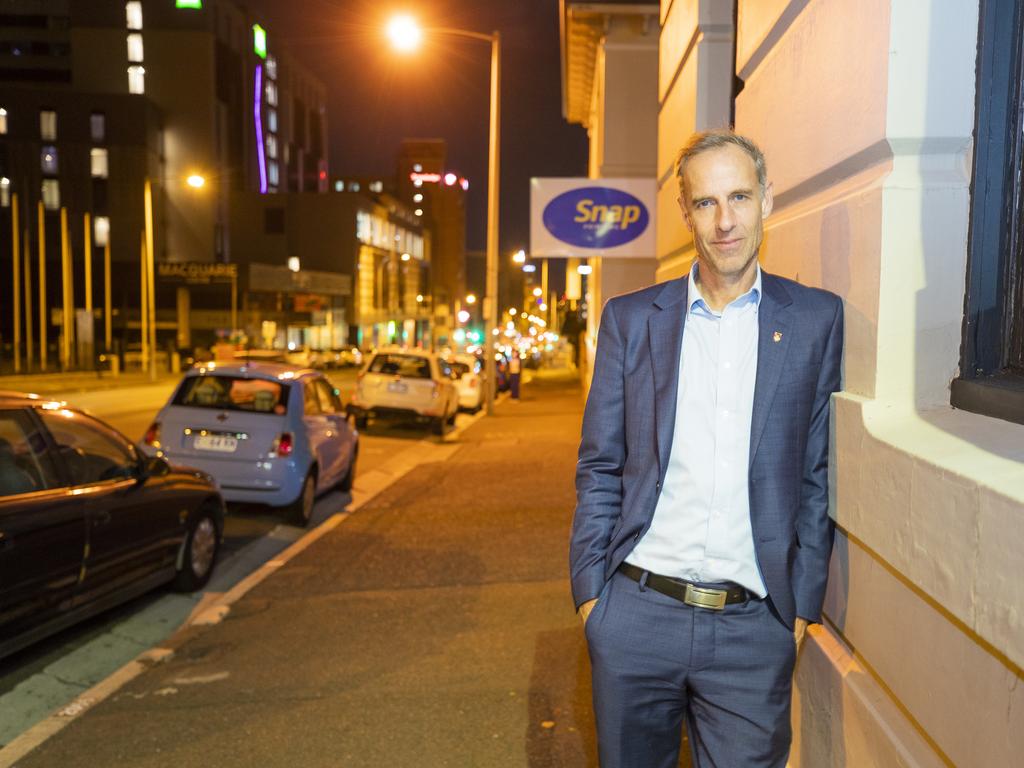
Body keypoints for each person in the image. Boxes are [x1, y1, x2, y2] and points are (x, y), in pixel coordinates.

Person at [570, 129, 843, 768]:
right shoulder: (632, 319)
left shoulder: (813, 321)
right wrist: (592, 597)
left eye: (740, 197)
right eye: (705, 203)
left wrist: (800, 607)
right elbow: (600, 463)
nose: (725, 222)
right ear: (686, 211)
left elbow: (815, 473)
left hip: (753, 628)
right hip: (635, 615)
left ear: (767, 200)